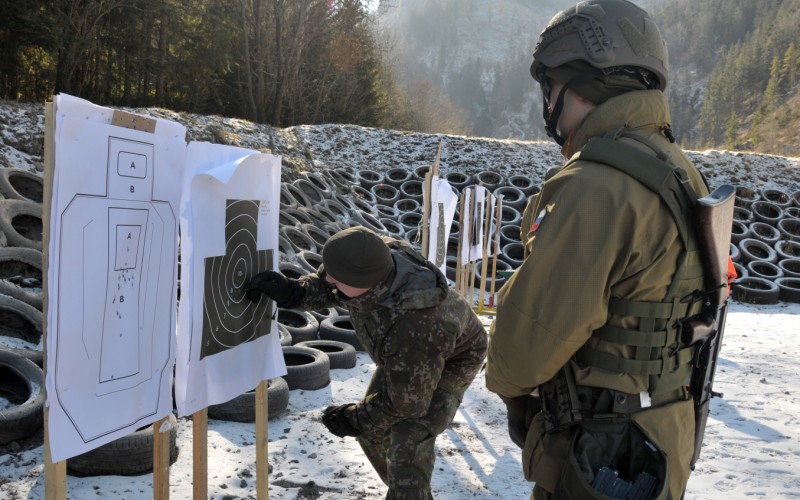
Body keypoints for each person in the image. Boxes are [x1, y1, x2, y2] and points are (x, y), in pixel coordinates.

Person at [486, 1, 714, 499]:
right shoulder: (677, 168)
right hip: (663, 433)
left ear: (582, 82)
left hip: (601, 452)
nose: (548, 106)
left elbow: (522, 351)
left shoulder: (595, 185)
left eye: (551, 87)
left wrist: (509, 388)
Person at [247, 226, 487, 500]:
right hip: (404, 354)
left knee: (408, 436)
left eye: (336, 279)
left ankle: (407, 491)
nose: (327, 278)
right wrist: (293, 292)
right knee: (373, 431)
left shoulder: (416, 324)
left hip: (453, 356)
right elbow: (331, 285)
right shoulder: (365, 255)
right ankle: (408, 490)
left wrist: (353, 418)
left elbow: (407, 403)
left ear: (366, 282)